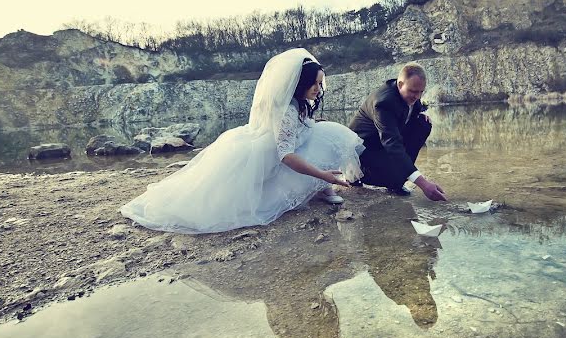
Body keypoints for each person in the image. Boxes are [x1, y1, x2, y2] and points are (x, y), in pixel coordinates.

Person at [120, 48, 365, 234]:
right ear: (299, 83)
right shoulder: (287, 112)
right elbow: (286, 155)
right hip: (276, 156)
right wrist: (324, 174)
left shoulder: (295, 103)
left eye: (320, 83)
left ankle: (321, 188)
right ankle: (323, 185)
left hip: (285, 144)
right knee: (329, 137)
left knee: (326, 132)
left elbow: (301, 130)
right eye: (314, 83)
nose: (318, 88)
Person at [348, 62, 448, 201]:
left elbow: (413, 110)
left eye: (421, 92)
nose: (417, 97)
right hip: (363, 154)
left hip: (381, 144)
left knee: (422, 125)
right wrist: (423, 184)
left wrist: (419, 115)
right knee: (395, 166)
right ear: (400, 84)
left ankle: (398, 181)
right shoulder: (383, 103)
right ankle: (383, 178)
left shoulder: (411, 97)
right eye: (413, 91)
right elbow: (392, 144)